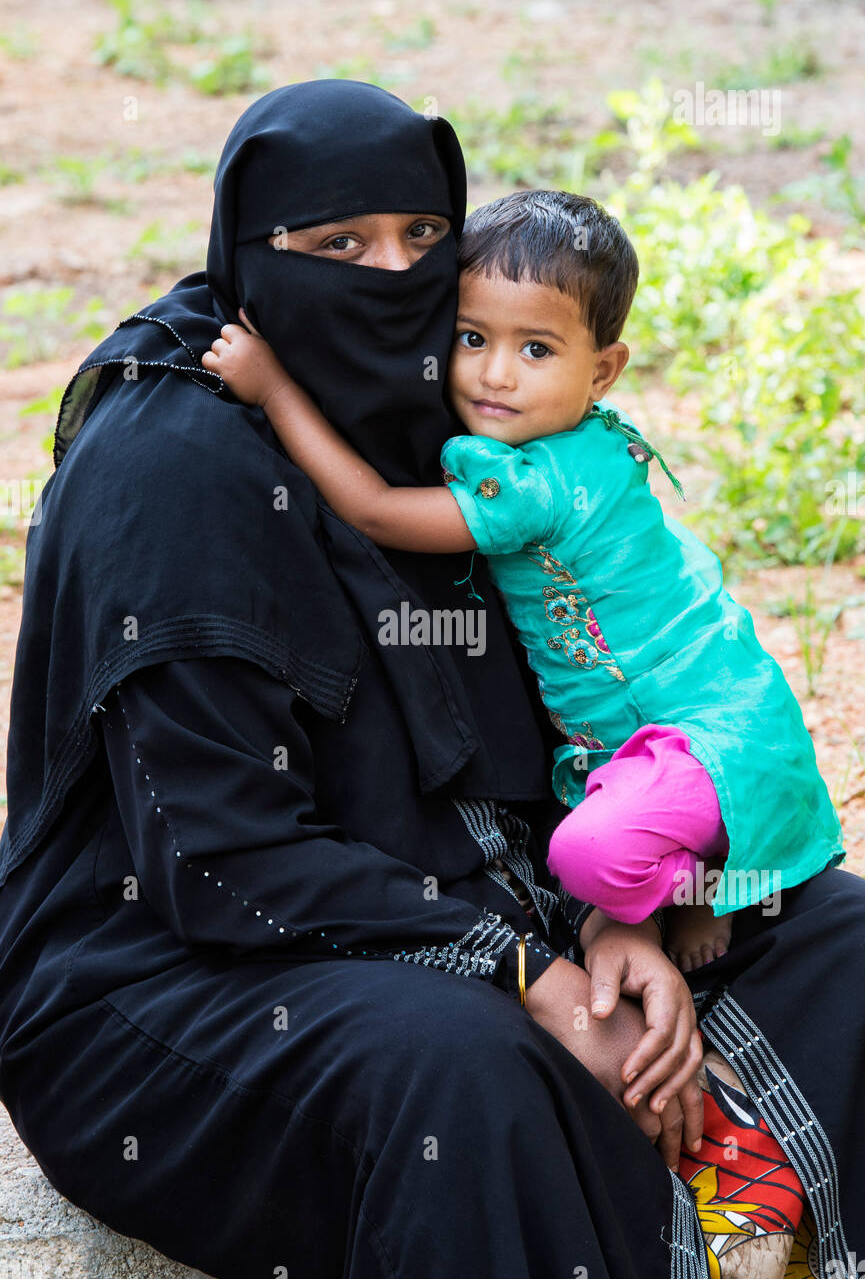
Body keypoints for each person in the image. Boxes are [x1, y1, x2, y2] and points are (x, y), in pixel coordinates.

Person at [0, 79, 862, 1279]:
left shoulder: (451, 412)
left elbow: (566, 714)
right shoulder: (170, 473)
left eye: (421, 240)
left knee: (833, 934)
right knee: (465, 1069)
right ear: (251, 252)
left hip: (490, 883)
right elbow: (217, 857)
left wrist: (625, 916)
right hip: (178, 962)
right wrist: (536, 976)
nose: (390, 275)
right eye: (338, 245)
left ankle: (763, 1244)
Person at [202, 187, 845, 974]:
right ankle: (666, 886)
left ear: (603, 370)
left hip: (697, 732)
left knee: (583, 859)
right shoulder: (579, 441)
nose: (495, 375)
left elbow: (372, 510)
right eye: (471, 337)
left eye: (536, 350)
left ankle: (696, 886)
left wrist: (274, 389)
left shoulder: (534, 486)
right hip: (692, 715)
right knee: (597, 848)